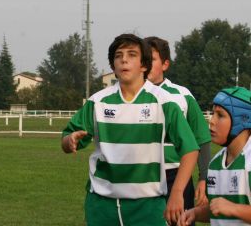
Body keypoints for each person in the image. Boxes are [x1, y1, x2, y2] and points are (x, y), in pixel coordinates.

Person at [62, 33, 199, 226]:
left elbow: (190, 149)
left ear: (144, 65)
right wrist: (69, 141)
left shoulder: (164, 102)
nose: (124, 59)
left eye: (132, 54)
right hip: (101, 204)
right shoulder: (97, 101)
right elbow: (68, 138)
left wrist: (177, 193)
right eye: (119, 55)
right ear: (113, 66)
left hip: (148, 206)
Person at [144, 36, 211, 218]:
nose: (146, 64)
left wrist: (204, 178)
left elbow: (202, 138)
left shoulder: (182, 95)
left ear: (165, 65)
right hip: (140, 177)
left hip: (177, 176)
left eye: (152, 59)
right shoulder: (129, 96)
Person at [179, 87, 251, 225]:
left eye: (220, 115)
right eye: (212, 113)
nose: (212, 121)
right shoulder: (214, 164)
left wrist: (234, 209)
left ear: (243, 119)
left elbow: (228, 208)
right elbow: (218, 209)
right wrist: (195, 213)